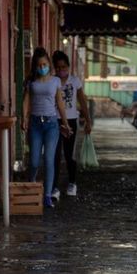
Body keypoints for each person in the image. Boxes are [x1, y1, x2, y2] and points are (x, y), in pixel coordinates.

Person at [22, 47, 72, 208]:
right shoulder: (31, 82)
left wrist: (65, 123)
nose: (42, 67)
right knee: (35, 160)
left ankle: (48, 195)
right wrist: (24, 119)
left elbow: (60, 103)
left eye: (44, 64)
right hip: (35, 124)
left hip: (51, 124)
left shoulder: (55, 81)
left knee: (49, 160)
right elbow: (26, 101)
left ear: (49, 64)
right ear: (35, 66)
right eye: (39, 65)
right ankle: (31, 184)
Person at [51, 50, 92, 200]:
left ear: (68, 67)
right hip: (54, 121)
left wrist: (88, 120)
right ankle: (54, 186)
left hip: (71, 121)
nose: (61, 70)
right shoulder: (52, 81)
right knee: (54, 155)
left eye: (64, 67)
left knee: (69, 154)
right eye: (58, 68)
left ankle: (72, 183)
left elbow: (82, 101)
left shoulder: (75, 81)